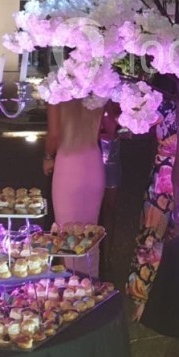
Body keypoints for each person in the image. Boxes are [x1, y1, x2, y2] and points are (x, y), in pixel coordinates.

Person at [125, 99, 179, 320]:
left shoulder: (162, 103)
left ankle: (143, 296)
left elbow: (139, 124)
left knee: (151, 233)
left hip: (164, 171)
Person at [44, 97, 107, 275]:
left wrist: (48, 157)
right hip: (93, 163)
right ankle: (91, 286)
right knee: (91, 234)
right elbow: (108, 127)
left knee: (67, 236)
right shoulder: (100, 87)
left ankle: (74, 291)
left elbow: (54, 135)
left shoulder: (58, 91)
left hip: (68, 165)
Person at [97, 103, 122, 277]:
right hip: (92, 159)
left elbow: (114, 131)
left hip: (111, 161)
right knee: (94, 211)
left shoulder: (114, 102)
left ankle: (106, 257)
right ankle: (95, 254)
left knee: (109, 211)